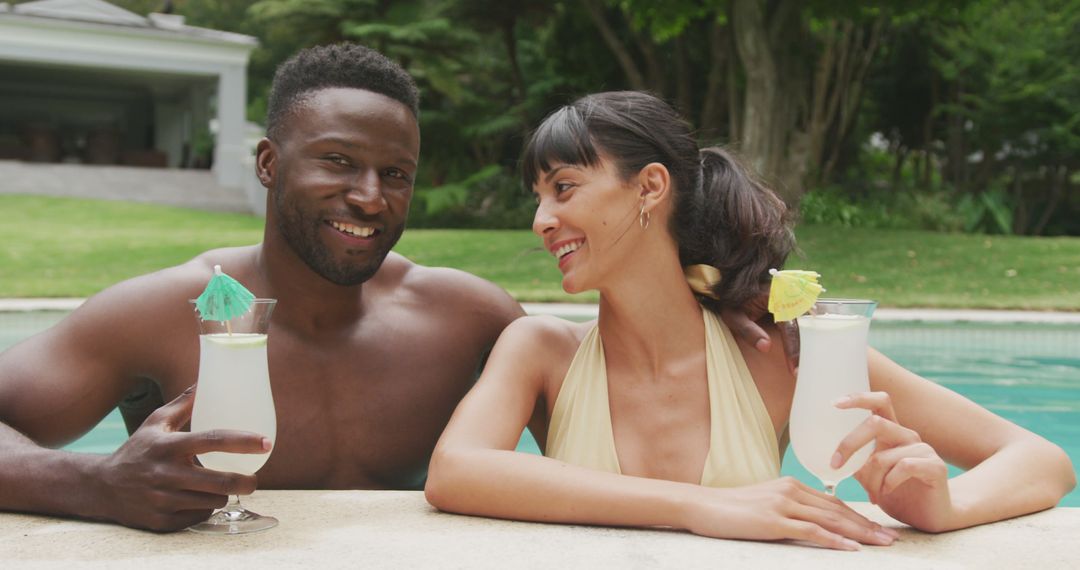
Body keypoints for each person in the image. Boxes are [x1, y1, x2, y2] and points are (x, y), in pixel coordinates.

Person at [0, 45, 779, 532]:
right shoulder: (171, 312)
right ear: (270, 165)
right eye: (337, 162)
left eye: (396, 174)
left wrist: (723, 307)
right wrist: (93, 481)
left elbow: (614, 423)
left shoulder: (465, 318)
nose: (371, 198)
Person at [424, 91, 1076, 550]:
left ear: (650, 188)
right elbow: (455, 471)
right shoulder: (541, 351)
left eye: (562, 188)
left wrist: (945, 507)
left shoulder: (780, 352)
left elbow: (1042, 460)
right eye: (538, 198)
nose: (541, 221)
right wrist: (703, 506)